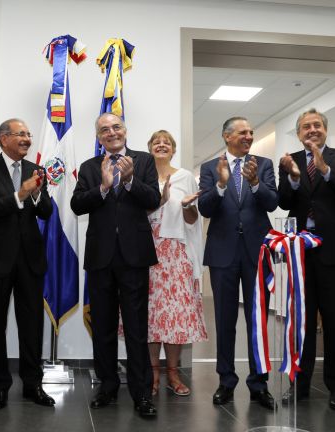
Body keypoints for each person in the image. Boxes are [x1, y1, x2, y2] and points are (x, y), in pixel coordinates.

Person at [71, 113, 161, 417]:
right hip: (101, 257)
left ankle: (141, 394)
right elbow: (77, 204)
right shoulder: (88, 167)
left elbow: (153, 198)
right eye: (104, 130)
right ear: (99, 137)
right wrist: (104, 187)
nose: (111, 133)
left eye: (116, 127)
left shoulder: (144, 160)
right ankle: (107, 386)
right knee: (104, 327)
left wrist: (132, 179)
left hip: (135, 255)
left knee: (137, 328)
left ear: (125, 131)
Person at [277, 108, 335, 410]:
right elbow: (284, 201)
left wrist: (325, 168)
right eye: (305, 127)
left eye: (316, 125)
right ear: (299, 133)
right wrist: (295, 179)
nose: (311, 130)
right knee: (301, 323)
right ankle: (299, 385)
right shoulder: (290, 161)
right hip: (301, 253)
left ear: (325, 129)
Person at [0, 118, 55, 410]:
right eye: (21, 134)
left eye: (29, 135)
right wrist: (19, 195)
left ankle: (33, 384)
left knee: (31, 324)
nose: (27, 139)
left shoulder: (36, 170)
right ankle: (1, 386)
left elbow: (45, 212)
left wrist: (37, 193)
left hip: (30, 259)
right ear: (3, 138)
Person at [198, 116, 277, 410]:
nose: (249, 136)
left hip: (257, 251)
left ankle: (259, 383)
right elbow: (205, 207)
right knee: (225, 320)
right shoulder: (210, 168)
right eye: (243, 132)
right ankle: (226, 382)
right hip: (222, 252)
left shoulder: (263, 164)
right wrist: (220, 184)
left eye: (251, 133)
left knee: (257, 320)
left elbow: (273, 202)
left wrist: (256, 183)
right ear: (226, 136)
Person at [145, 130, 207, 397]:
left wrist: (185, 206)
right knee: (151, 317)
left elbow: (193, 220)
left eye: (167, 142)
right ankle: (152, 372)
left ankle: (172, 372)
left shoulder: (185, 177)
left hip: (176, 254)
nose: (162, 145)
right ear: (150, 148)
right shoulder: (141, 176)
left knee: (176, 317)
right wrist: (158, 199)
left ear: (173, 149)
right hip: (146, 252)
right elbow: (136, 214)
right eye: (157, 142)